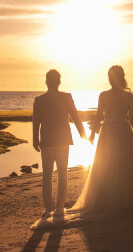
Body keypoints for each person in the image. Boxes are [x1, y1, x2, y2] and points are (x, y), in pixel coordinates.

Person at [71, 65, 133, 212]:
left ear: (116, 78)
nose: (109, 80)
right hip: (115, 131)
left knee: (119, 164)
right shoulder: (120, 96)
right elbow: (105, 117)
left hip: (113, 131)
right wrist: (92, 134)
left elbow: (126, 118)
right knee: (112, 164)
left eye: (111, 77)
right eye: (109, 77)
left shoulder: (115, 95)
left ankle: (117, 198)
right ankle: (115, 197)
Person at [32, 69, 87, 216]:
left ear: (46, 81)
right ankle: (60, 205)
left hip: (47, 141)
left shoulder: (39, 100)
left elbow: (36, 122)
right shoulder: (66, 97)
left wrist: (35, 139)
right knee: (63, 173)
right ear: (59, 82)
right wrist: (83, 135)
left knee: (47, 174)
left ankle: (49, 206)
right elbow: (76, 117)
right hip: (63, 140)